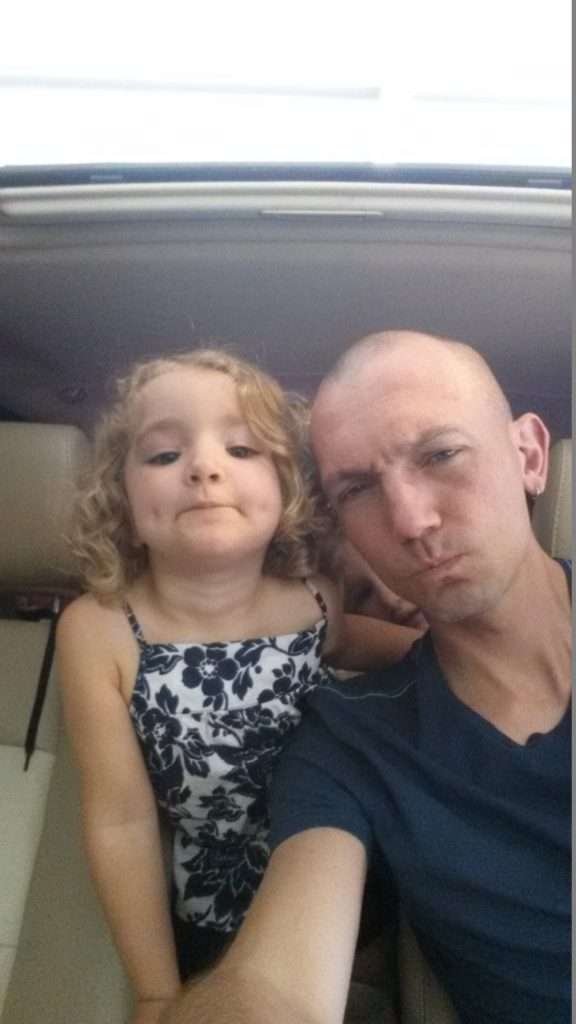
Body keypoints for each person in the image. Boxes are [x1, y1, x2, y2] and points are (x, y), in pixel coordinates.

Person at [161, 331, 571, 1024]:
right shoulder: (348, 741)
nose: (410, 520)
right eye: (357, 488)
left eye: (441, 455)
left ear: (529, 455)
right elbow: (273, 985)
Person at [56, 348, 423, 1024]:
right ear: (121, 497)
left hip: (339, 886)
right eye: (163, 455)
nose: (203, 466)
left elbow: (366, 646)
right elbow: (122, 819)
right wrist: (155, 992)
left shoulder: (315, 600)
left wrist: (446, 644)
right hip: (212, 911)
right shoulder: (99, 631)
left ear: (289, 490)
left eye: (243, 448)